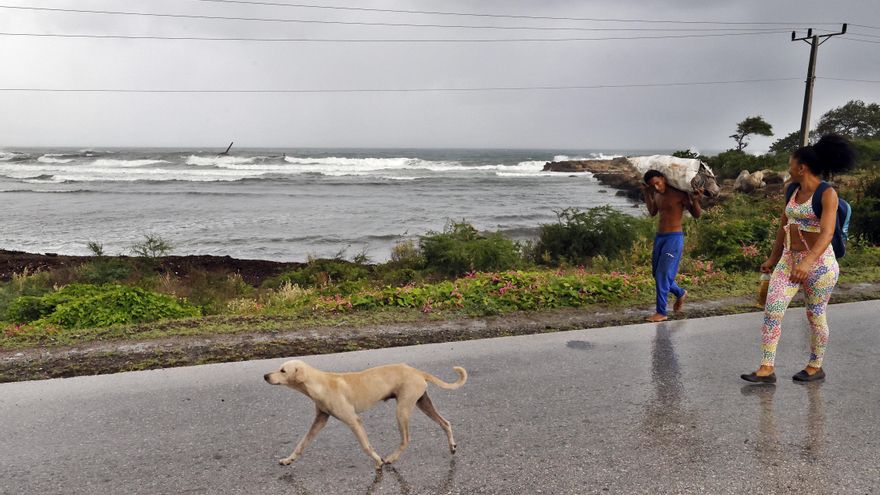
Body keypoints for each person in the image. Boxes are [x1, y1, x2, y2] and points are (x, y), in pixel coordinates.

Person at [741, 134, 856, 384]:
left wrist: (807, 263)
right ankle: (766, 368)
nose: (788, 167)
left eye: (790, 163)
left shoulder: (827, 194)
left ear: (801, 167)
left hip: (820, 266)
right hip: (789, 260)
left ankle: (815, 365)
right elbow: (785, 223)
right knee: (773, 309)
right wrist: (773, 258)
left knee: (815, 315)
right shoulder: (790, 189)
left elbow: (826, 233)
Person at [642, 170, 703, 322]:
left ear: (663, 178)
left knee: (663, 275)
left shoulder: (678, 194)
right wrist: (646, 194)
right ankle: (680, 292)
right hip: (660, 238)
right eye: (652, 185)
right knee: (657, 274)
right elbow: (652, 212)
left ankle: (661, 312)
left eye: (657, 182)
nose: (656, 187)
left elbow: (697, 214)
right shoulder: (656, 194)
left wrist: (695, 200)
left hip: (674, 239)